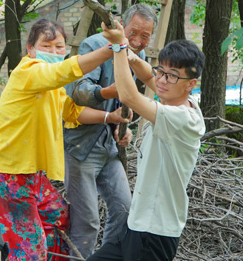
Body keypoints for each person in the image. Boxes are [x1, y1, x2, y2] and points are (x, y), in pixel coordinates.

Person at [0, 18, 131, 261]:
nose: (53, 52)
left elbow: (73, 112)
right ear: (29, 49)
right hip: (7, 173)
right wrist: (112, 48)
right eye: (47, 46)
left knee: (58, 217)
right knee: (30, 249)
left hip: (32, 173)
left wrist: (109, 116)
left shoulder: (53, 85)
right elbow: (61, 71)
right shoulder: (27, 73)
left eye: (59, 47)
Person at [86, 21, 205, 261]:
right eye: (161, 70)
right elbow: (145, 72)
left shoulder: (181, 117)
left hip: (155, 231)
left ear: (191, 84)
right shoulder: (175, 98)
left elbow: (128, 94)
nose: (161, 79)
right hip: (137, 224)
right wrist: (127, 52)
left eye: (172, 76)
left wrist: (120, 47)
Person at [63, 3, 157, 257]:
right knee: (87, 222)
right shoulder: (95, 45)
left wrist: (121, 127)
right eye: (133, 32)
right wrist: (109, 93)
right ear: (121, 27)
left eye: (145, 36)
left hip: (109, 146)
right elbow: (78, 92)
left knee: (125, 211)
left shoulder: (140, 58)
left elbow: (124, 104)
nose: (137, 40)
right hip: (80, 145)